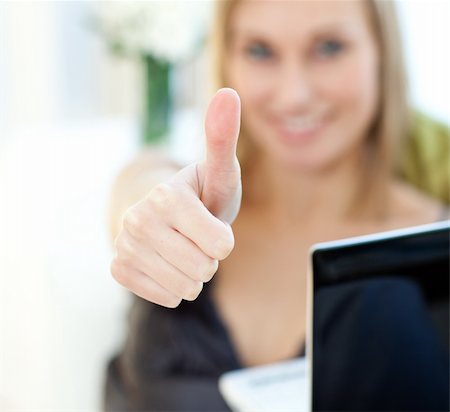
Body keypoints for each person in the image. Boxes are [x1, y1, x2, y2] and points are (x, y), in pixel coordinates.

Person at [104, 0, 449, 410]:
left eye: (329, 47)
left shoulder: (432, 247)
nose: (294, 96)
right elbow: (141, 183)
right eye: (260, 51)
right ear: (227, 58)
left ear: (381, 51)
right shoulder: (189, 210)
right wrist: (146, 204)